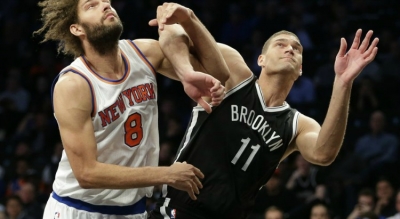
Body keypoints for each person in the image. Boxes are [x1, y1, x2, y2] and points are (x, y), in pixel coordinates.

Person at [149, 5, 379, 219]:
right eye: (280, 44)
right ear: (261, 60)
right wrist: (186, 50)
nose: (289, 48)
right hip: (179, 209)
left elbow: (323, 154)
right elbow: (169, 38)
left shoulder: (298, 125)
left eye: (296, 49)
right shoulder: (234, 73)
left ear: (300, 69)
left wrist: (343, 82)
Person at [33, 0, 228, 218]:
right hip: (78, 208)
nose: (106, 6)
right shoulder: (74, 84)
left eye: (106, 2)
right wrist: (166, 174)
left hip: (132, 210)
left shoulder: (144, 53)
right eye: (92, 6)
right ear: (76, 28)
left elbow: (218, 74)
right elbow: (86, 173)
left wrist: (189, 18)